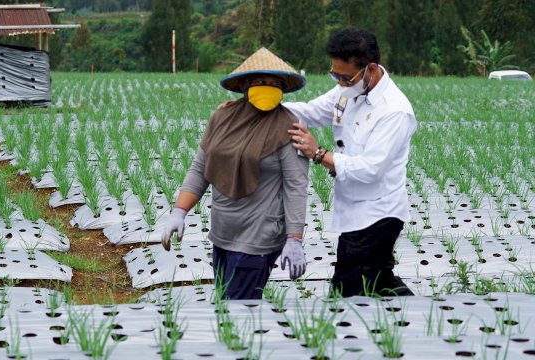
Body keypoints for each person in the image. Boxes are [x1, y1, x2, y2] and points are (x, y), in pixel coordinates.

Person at [161, 48, 309, 300]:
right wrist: (179, 212)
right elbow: (201, 168)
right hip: (222, 231)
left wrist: (294, 239)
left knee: (238, 309)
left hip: (259, 236)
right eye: (261, 81)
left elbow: (296, 186)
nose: (268, 87)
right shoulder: (223, 117)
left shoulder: (289, 127)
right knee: (226, 305)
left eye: (275, 83)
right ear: (245, 85)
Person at [285, 28, 417, 297]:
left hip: (378, 213)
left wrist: (318, 153)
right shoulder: (346, 92)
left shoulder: (394, 111)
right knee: (379, 280)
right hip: (354, 209)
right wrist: (255, 107)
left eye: (345, 77)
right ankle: (415, 316)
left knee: (348, 289)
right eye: (335, 75)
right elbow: (311, 111)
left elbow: (370, 169)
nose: (340, 83)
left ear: (370, 69)